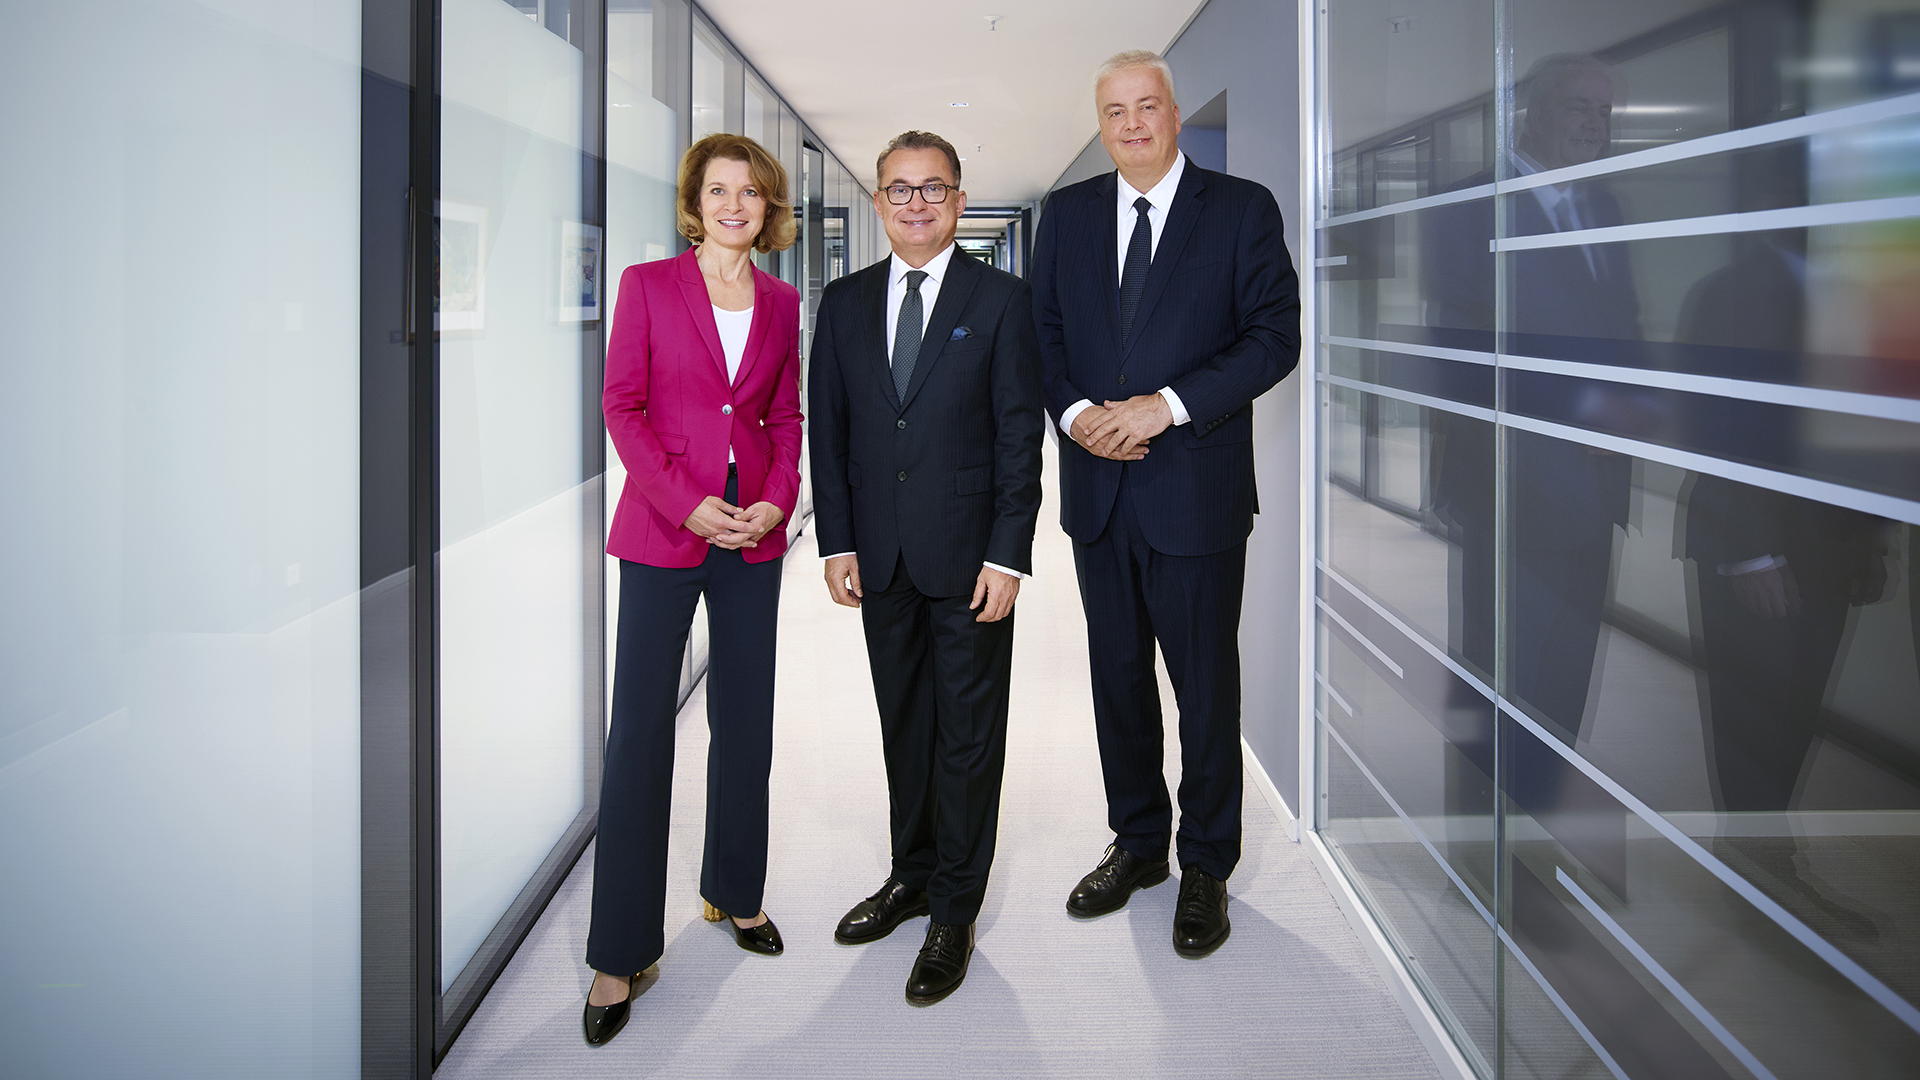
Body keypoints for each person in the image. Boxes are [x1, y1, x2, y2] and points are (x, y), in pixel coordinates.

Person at [1031, 50, 1299, 958]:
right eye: (1115, 112)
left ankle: (1207, 864)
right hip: (1098, 492)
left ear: (1175, 114)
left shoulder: (1240, 210)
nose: (1133, 124)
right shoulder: (1064, 217)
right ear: (1100, 124)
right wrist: (1075, 417)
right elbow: (1047, 338)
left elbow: (1274, 337)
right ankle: (1140, 842)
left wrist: (1166, 406)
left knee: (1204, 687)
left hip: (1196, 489)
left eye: (1149, 107)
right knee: (1116, 681)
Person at [808, 130, 1044, 1005]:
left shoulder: (1003, 300)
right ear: (878, 202)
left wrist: (1008, 555)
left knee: (968, 736)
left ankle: (955, 906)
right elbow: (826, 435)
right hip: (881, 556)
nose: (916, 203)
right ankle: (911, 875)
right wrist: (837, 543)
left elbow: (1022, 436)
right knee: (903, 722)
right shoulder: (843, 302)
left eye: (933, 189)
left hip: (970, 557)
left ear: (958, 199)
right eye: (900, 190)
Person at [582, 133, 803, 1047]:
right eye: (718, 190)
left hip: (750, 542)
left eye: (750, 193)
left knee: (745, 725)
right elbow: (621, 409)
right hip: (665, 534)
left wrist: (776, 506)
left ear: (767, 207)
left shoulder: (785, 300)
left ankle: (735, 894)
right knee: (640, 735)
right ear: (693, 201)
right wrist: (689, 503)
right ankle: (620, 950)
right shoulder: (645, 286)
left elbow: (783, 417)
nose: (734, 205)